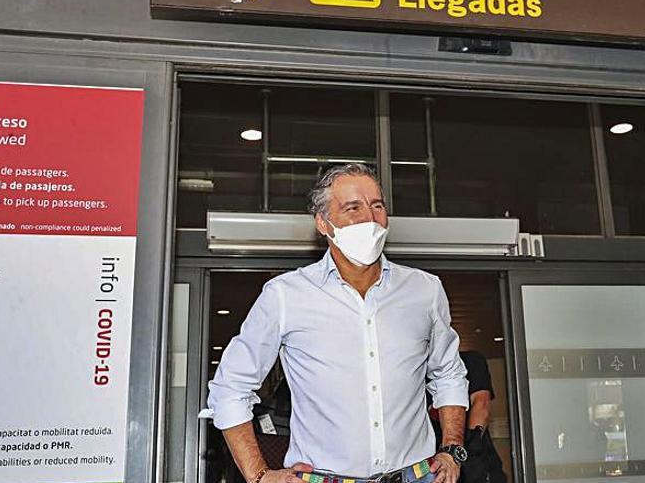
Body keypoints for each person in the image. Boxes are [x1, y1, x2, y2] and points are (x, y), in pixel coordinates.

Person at [203, 163, 470, 483]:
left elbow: (449, 374)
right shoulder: (286, 295)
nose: (369, 219)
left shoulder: (424, 290)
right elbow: (230, 388)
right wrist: (259, 475)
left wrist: (452, 449)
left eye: (377, 206)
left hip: (418, 475)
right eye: (352, 207)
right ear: (323, 223)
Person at [430, 351, 506, 483]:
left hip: (471, 451)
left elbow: (481, 404)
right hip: (433, 455)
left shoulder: (471, 360)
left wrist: (472, 443)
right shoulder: (419, 368)